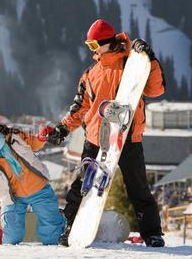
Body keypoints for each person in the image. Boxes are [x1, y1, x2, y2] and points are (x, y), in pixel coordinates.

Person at [43, 19, 166, 247]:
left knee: (137, 186)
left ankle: (152, 234)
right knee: (82, 185)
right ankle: (69, 228)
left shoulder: (132, 65)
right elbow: (80, 107)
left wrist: (151, 59)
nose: (92, 51)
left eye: (93, 45)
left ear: (106, 42)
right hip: (96, 138)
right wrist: (62, 129)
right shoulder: (91, 73)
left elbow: (156, 89)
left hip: (127, 137)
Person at [0, 115, 65, 245]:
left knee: (52, 237)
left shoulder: (12, 136)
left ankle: (59, 222)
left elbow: (33, 143)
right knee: (9, 238)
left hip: (39, 189)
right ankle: (0, 230)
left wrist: (42, 136)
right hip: (13, 199)